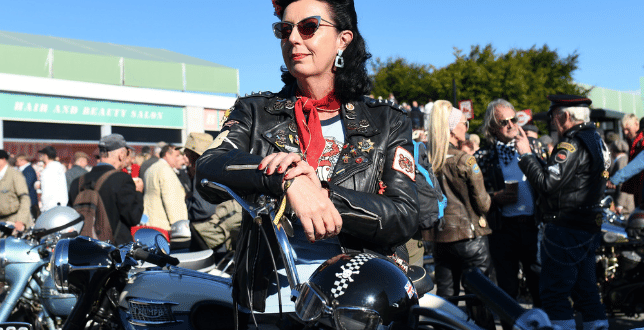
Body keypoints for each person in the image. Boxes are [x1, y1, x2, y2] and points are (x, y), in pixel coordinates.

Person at [196, 0, 418, 317]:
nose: (294, 39)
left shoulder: (388, 122)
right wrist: (287, 180)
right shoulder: (254, 111)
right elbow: (208, 167)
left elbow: (404, 215)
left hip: (354, 306)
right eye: (285, 30)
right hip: (268, 308)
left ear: (343, 39)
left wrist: (324, 197)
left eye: (309, 27)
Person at [515, 94, 608, 330]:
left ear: (565, 116)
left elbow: (547, 183)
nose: (552, 123)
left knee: (555, 293)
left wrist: (526, 155)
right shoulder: (597, 139)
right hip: (587, 226)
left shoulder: (571, 143)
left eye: (553, 117)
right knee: (586, 291)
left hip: (565, 226)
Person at [473, 99, 542, 307]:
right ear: (493, 128)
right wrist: (496, 197)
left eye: (514, 120)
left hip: (532, 224)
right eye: (504, 122)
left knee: (539, 284)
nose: (511, 125)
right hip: (502, 228)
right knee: (507, 289)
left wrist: (528, 152)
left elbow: (548, 183)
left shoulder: (534, 146)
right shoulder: (484, 156)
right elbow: (478, 194)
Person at [422, 101, 491, 297]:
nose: (466, 128)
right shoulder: (464, 160)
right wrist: (496, 197)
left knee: (446, 298)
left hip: (439, 238)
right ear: (452, 129)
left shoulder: (426, 160)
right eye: (464, 123)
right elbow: (483, 203)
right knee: (481, 298)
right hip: (470, 238)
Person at [67, 134, 144, 245]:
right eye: (128, 153)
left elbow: (71, 217)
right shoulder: (122, 179)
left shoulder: (78, 182)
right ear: (121, 155)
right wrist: (138, 192)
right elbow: (134, 217)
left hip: (84, 250)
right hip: (115, 252)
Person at [182, 132, 243, 252]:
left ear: (194, 155)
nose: (184, 157)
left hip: (210, 234)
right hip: (215, 233)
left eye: (187, 153)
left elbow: (203, 209)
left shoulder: (202, 172)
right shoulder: (213, 170)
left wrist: (187, 201)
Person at [143, 145, 188, 234]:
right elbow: (171, 201)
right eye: (177, 156)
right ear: (167, 154)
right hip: (164, 226)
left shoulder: (151, 169)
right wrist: (179, 226)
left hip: (150, 222)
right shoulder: (166, 171)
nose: (179, 159)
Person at [0, 149, 32, 235]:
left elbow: (25, 198)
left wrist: (21, 221)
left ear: (2, 160)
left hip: (14, 224)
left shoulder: (15, 175)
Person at [620, 113, 643, 206]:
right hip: (638, 187)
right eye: (624, 129)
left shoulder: (641, 140)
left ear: (637, 125)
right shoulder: (632, 142)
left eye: (627, 129)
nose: (625, 132)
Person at [608, 140, 635, 216]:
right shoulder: (626, 158)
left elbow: (623, 183)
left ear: (613, 150)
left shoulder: (621, 162)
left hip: (625, 204)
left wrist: (620, 204)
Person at [37, 146, 68, 212]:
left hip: (50, 207)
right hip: (61, 205)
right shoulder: (59, 167)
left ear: (46, 155)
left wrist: (44, 208)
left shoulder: (48, 170)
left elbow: (46, 191)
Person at [16, 154, 40, 219]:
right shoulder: (25, 170)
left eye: (17, 161)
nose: (16, 163)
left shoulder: (29, 170)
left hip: (30, 201)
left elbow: (26, 185)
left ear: (23, 160)